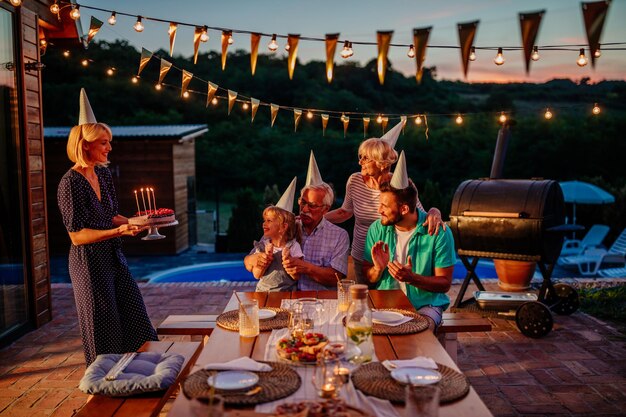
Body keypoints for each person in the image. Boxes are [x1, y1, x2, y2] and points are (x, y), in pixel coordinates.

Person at [57, 89, 157, 365]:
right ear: (85, 144)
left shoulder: (102, 173)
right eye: (103, 143)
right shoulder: (70, 183)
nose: (109, 148)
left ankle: (137, 376)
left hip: (113, 258)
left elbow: (111, 215)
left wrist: (134, 222)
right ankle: (101, 391)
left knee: (137, 321)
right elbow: (77, 236)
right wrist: (119, 231)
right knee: (104, 332)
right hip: (88, 264)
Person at [325, 121, 445, 285]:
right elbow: (344, 212)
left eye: (365, 158)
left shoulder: (400, 186)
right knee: (365, 299)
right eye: (360, 157)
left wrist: (435, 211)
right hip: (362, 255)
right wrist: (313, 219)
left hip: (393, 256)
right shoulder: (354, 181)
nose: (360, 162)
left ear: (381, 163)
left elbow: (416, 212)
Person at [362, 151, 456, 331]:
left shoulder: (438, 233)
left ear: (404, 209)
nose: (379, 210)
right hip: (386, 305)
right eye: (379, 204)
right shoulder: (377, 228)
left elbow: (444, 284)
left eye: (385, 206)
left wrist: (411, 279)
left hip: (426, 306)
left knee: (420, 330)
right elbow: (369, 276)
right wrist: (377, 269)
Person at [282, 152, 350, 290]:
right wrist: (255, 260)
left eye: (312, 205)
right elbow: (251, 259)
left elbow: (335, 277)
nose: (304, 209)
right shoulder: (285, 226)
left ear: (326, 209)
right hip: (286, 298)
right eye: (303, 202)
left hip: (321, 300)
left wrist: (305, 267)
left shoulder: (339, 235)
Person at [245, 178, 304, 292]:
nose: (264, 224)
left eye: (269, 221)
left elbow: (296, 277)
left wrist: (287, 258)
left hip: (288, 294)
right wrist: (265, 258)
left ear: (283, 227)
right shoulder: (262, 246)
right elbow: (257, 275)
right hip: (263, 293)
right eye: (264, 220)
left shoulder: (294, 246)